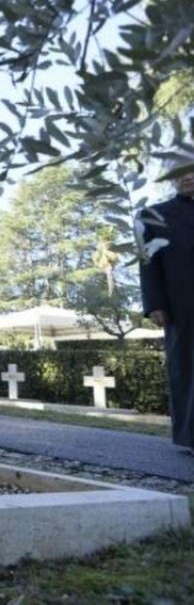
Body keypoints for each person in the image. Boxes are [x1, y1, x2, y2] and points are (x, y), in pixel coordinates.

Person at [138, 163, 194, 453]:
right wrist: (155, 304)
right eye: (179, 173)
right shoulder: (154, 215)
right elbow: (148, 263)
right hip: (182, 307)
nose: (186, 177)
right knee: (186, 370)